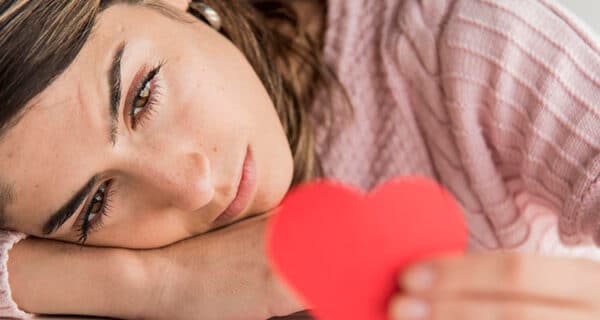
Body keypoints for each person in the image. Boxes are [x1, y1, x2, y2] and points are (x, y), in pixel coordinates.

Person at [2, 0, 600, 319]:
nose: (191, 184)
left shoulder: (463, 47)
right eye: (97, 201)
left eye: (144, 95)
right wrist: (157, 285)